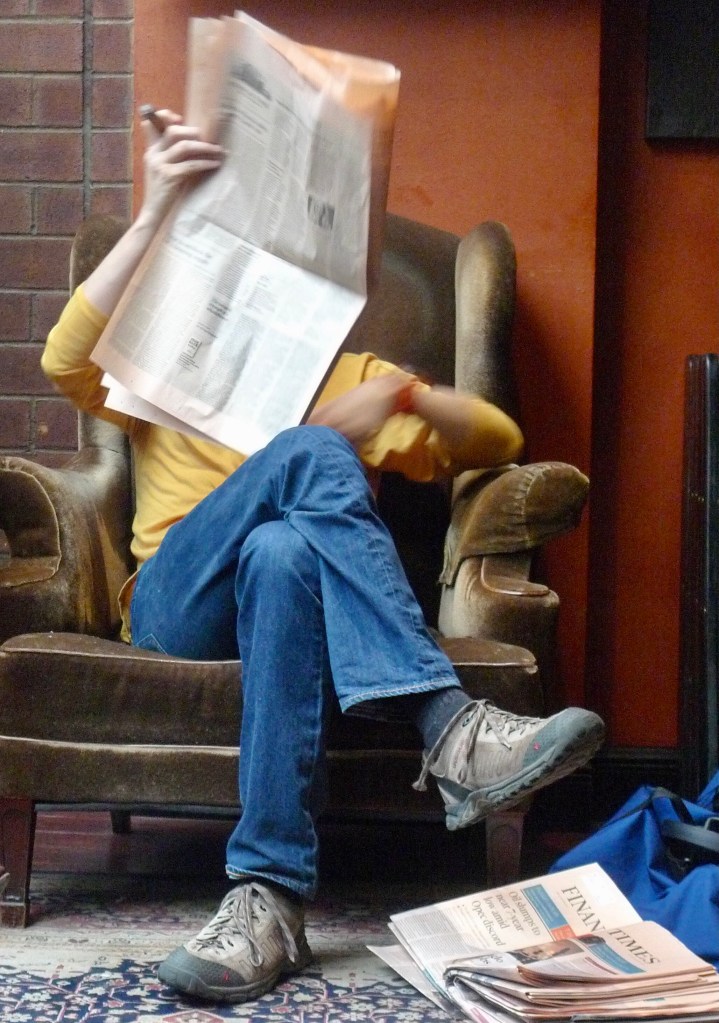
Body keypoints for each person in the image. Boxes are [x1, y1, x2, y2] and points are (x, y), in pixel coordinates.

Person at [42, 110, 605, 1005]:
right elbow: (63, 356)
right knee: (309, 452)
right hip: (177, 602)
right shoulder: (167, 356)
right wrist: (153, 215)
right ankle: (448, 726)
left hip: (283, 601)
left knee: (280, 552)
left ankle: (267, 899)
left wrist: (404, 394)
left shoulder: (349, 375)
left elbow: (497, 436)